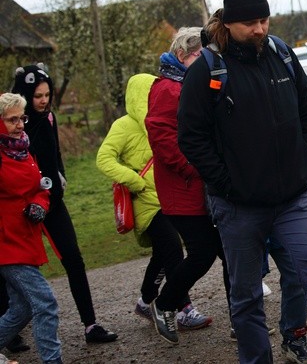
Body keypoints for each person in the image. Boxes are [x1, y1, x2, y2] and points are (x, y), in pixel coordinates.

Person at [178, 0, 307, 363]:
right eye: (250, 23)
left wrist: (305, 161)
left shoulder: (282, 54)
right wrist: (226, 184)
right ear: (228, 23)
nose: (259, 29)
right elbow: (191, 138)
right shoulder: (206, 70)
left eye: (264, 19)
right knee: (246, 296)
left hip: (294, 198)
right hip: (238, 206)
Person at [96, 74, 209, 340]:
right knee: (172, 248)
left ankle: (146, 299)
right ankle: (183, 308)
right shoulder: (123, 125)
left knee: (162, 251)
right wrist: (134, 180)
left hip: (166, 196)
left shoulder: (164, 120)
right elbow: (104, 158)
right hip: (145, 201)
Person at [10, 65, 117, 344]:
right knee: (16, 267)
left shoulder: (49, 118)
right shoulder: (13, 124)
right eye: (37, 96)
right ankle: (11, 331)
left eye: (47, 94)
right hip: (22, 208)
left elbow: (53, 153)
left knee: (73, 258)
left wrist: (60, 176)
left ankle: (90, 324)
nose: (44, 100)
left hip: (52, 201)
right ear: (24, 95)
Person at [145, 28, 227, 344]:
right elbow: (162, 137)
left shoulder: (190, 84)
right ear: (183, 56)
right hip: (184, 189)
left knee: (227, 253)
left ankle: (243, 319)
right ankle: (163, 304)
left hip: (200, 187)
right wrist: (198, 167)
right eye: (197, 56)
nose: (202, 61)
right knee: (204, 253)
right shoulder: (168, 89)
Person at [0, 92, 62, 364]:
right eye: (11, 120)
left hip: (26, 238)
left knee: (22, 309)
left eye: (21, 118)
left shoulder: (22, 150)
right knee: (45, 304)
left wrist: (39, 204)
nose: (19, 124)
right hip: (7, 243)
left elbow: (41, 187)